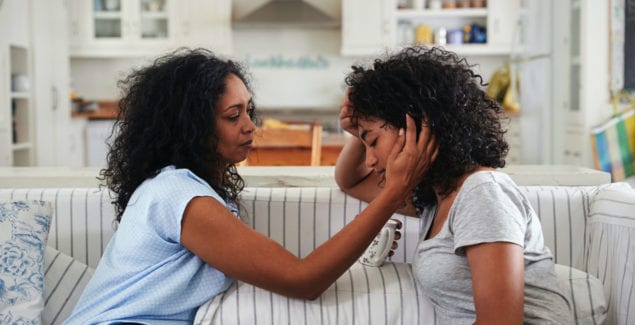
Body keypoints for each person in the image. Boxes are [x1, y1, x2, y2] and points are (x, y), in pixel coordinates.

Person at [63, 48, 436, 324]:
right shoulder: (179, 195)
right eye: (232, 115)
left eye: (248, 111)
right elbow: (303, 279)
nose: (250, 127)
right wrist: (391, 194)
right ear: (190, 126)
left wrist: (358, 134)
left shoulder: (196, 189)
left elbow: (348, 180)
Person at [335, 46, 573, 324]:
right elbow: (349, 181)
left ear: (416, 126)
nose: (371, 160)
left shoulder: (482, 194)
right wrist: (361, 131)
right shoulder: (436, 200)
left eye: (373, 142)